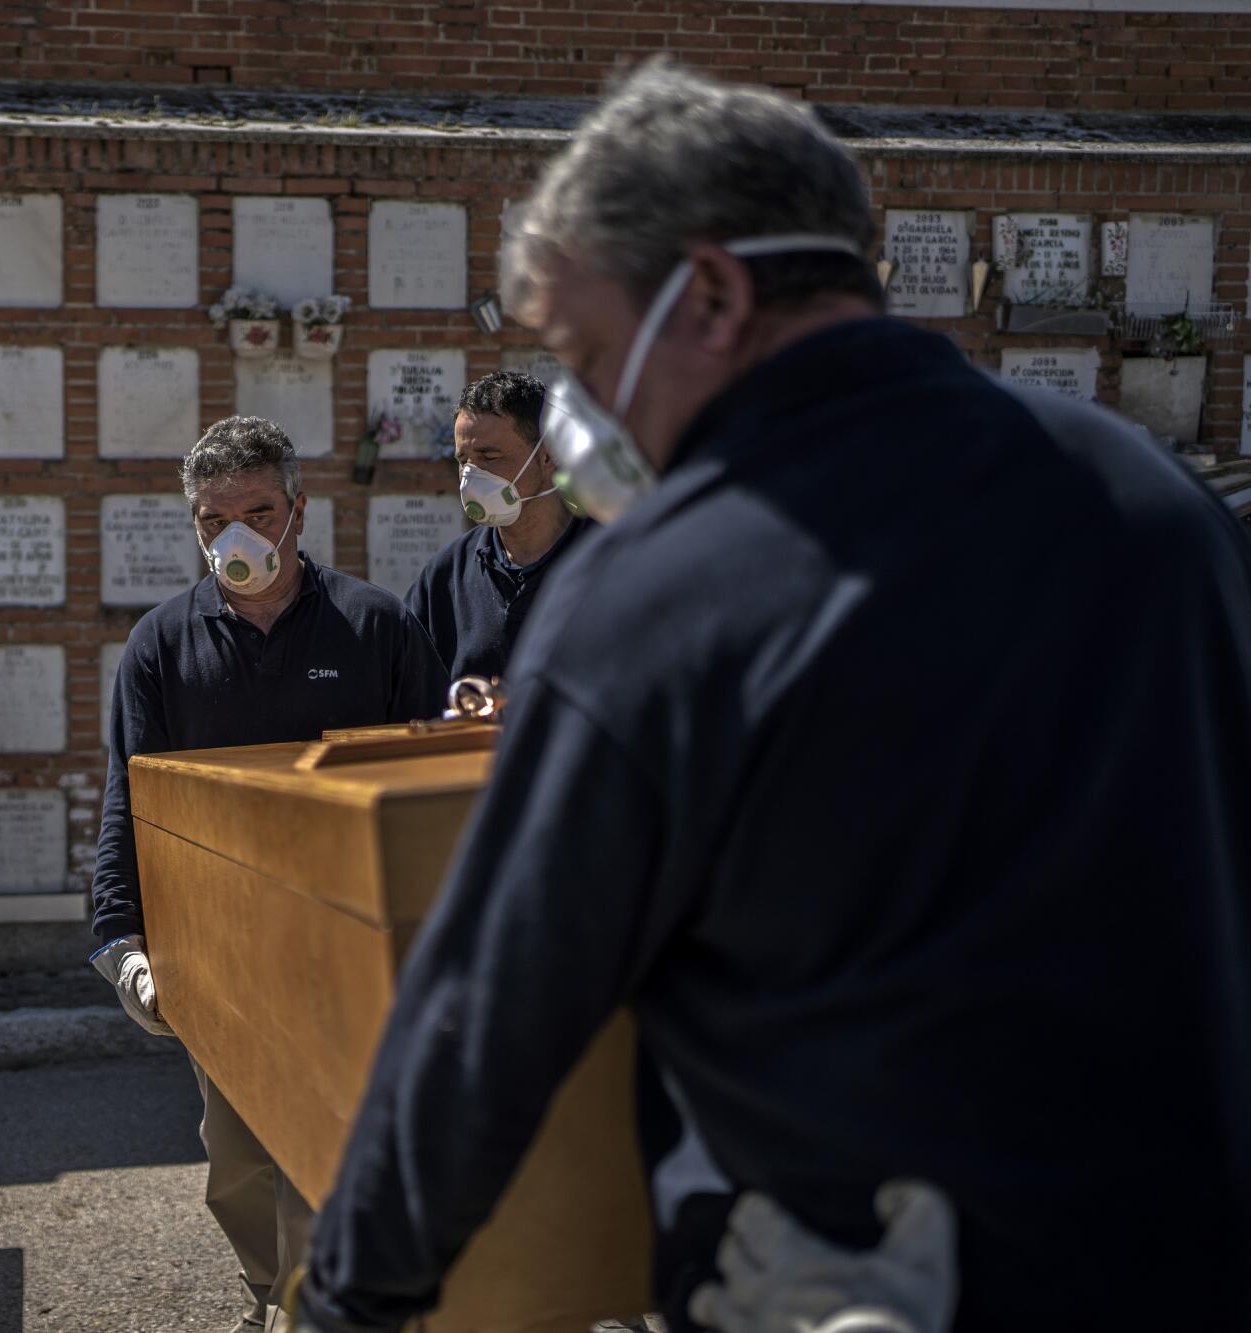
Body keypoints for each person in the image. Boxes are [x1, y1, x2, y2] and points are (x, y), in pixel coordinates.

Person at [289, 60, 1251, 1333]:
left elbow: (484, 1017)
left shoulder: (657, 585)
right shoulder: (1151, 500)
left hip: (850, 1278)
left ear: (710, 292)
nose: (582, 413)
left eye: (584, 350)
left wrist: (352, 1300)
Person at [93, 416, 448, 1333]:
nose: (238, 535)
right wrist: (118, 942)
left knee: (342, 1143)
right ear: (195, 526)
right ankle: (272, 1286)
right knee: (240, 1157)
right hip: (219, 949)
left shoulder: (376, 626)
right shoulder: (161, 646)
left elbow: (428, 786)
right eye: (216, 519)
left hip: (352, 942)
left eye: (258, 510)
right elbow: (126, 799)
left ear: (299, 511)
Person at [404, 369, 588, 681]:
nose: (470, 476)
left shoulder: (606, 557)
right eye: (463, 460)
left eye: (489, 457)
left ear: (548, 457)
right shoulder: (448, 575)